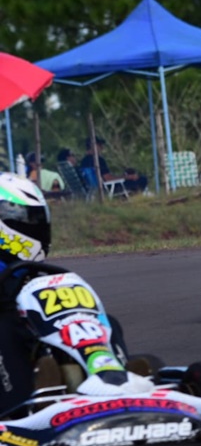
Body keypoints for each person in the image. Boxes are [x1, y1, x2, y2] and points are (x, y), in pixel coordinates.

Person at [0, 173, 143, 417]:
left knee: (106, 323)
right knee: (5, 329)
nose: (36, 225)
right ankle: (19, 405)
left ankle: (116, 379)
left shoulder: (26, 272)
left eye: (37, 218)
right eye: (28, 219)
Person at [80, 136, 148, 194]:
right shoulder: (98, 160)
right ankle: (134, 197)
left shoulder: (83, 161)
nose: (102, 147)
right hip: (108, 188)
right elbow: (108, 178)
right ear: (93, 146)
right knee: (142, 179)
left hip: (96, 188)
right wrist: (127, 177)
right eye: (100, 145)